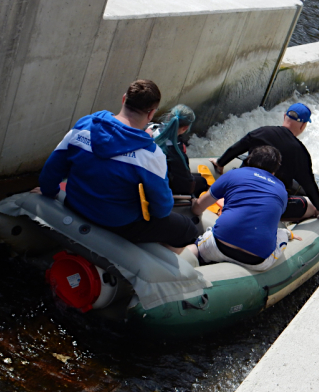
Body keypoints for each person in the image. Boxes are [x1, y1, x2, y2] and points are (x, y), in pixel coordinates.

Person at [37, 79, 198, 252]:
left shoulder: (84, 125)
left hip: (74, 204)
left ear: (124, 99)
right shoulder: (150, 154)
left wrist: (48, 192)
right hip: (117, 224)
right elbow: (161, 209)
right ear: (151, 114)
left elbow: (51, 171)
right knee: (187, 229)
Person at [188, 146, 301, 271]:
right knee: (280, 232)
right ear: (275, 169)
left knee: (196, 248)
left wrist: (193, 206)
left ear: (249, 160)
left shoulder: (233, 174)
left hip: (218, 246)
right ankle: (287, 234)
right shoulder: (281, 190)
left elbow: (198, 208)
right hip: (256, 261)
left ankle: (179, 262)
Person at [211, 103, 319, 222]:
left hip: (239, 189)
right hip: (268, 202)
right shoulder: (300, 152)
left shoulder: (261, 132)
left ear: (284, 117)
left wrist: (220, 163)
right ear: (303, 125)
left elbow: (235, 149)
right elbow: (309, 184)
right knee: (309, 205)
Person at [147, 105, 209, 197]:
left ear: (168, 117)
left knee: (197, 177)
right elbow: (187, 186)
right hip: (160, 186)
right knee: (202, 181)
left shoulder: (149, 128)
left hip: (146, 177)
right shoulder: (177, 154)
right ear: (185, 128)